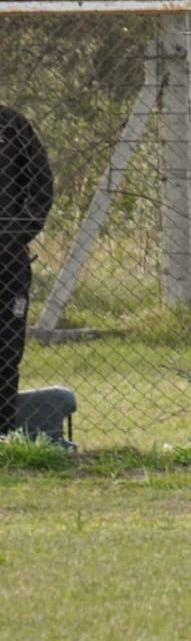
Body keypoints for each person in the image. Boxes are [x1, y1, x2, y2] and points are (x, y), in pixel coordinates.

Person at [0, 105, 54, 438]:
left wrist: (12, 237)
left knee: (5, 350)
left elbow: (40, 185)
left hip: (6, 263)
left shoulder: (10, 125)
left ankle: (3, 438)